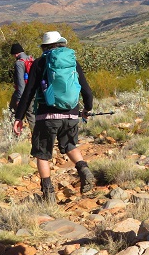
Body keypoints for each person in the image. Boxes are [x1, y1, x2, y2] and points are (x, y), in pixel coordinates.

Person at [13, 31, 95, 202]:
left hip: (47, 116)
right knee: (70, 145)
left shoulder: (39, 62)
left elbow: (28, 93)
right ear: (60, 44)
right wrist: (87, 108)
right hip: (71, 114)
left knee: (42, 154)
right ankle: (84, 171)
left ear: (44, 47)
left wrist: (19, 117)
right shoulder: (72, 62)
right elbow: (86, 90)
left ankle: (48, 194)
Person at [9, 42, 35, 130]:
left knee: (13, 114)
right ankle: (37, 137)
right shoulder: (31, 59)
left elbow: (20, 82)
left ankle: (14, 136)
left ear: (15, 54)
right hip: (33, 91)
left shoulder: (19, 63)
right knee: (31, 115)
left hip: (22, 93)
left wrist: (20, 99)